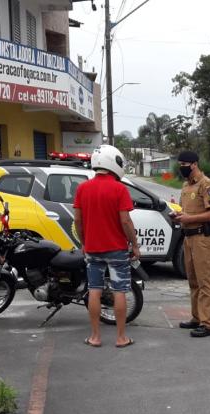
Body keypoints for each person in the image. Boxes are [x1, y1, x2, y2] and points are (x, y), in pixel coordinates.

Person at [72, 144, 140, 348]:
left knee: (94, 290)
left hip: (92, 249)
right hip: (117, 250)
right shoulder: (120, 189)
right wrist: (134, 245)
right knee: (119, 291)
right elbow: (126, 221)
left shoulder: (83, 188)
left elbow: (77, 220)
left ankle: (95, 337)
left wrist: (84, 243)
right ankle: (121, 338)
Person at [172, 151, 210, 338]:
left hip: (203, 239)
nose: (181, 167)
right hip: (188, 238)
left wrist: (190, 218)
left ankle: (207, 324)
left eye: (183, 164)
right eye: (180, 164)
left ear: (194, 164)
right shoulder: (185, 186)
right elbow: (185, 211)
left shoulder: (207, 185)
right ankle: (196, 317)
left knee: (205, 281)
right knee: (192, 281)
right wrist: (178, 216)